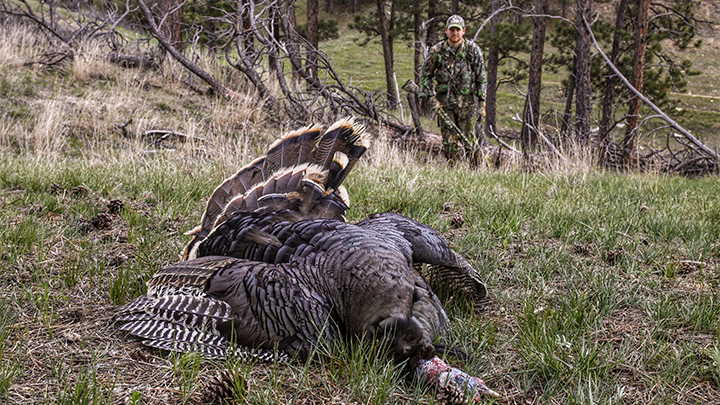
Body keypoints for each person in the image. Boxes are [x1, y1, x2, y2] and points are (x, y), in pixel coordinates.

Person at [420, 15, 487, 164]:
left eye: (457, 30)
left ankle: (476, 173)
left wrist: (482, 102)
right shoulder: (437, 51)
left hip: (467, 104)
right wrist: (431, 98)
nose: (454, 33)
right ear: (446, 31)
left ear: (463, 31)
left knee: (469, 139)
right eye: (451, 30)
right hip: (445, 105)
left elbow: (481, 78)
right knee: (449, 142)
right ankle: (453, 173)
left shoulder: (472, 50)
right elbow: (425, 76)